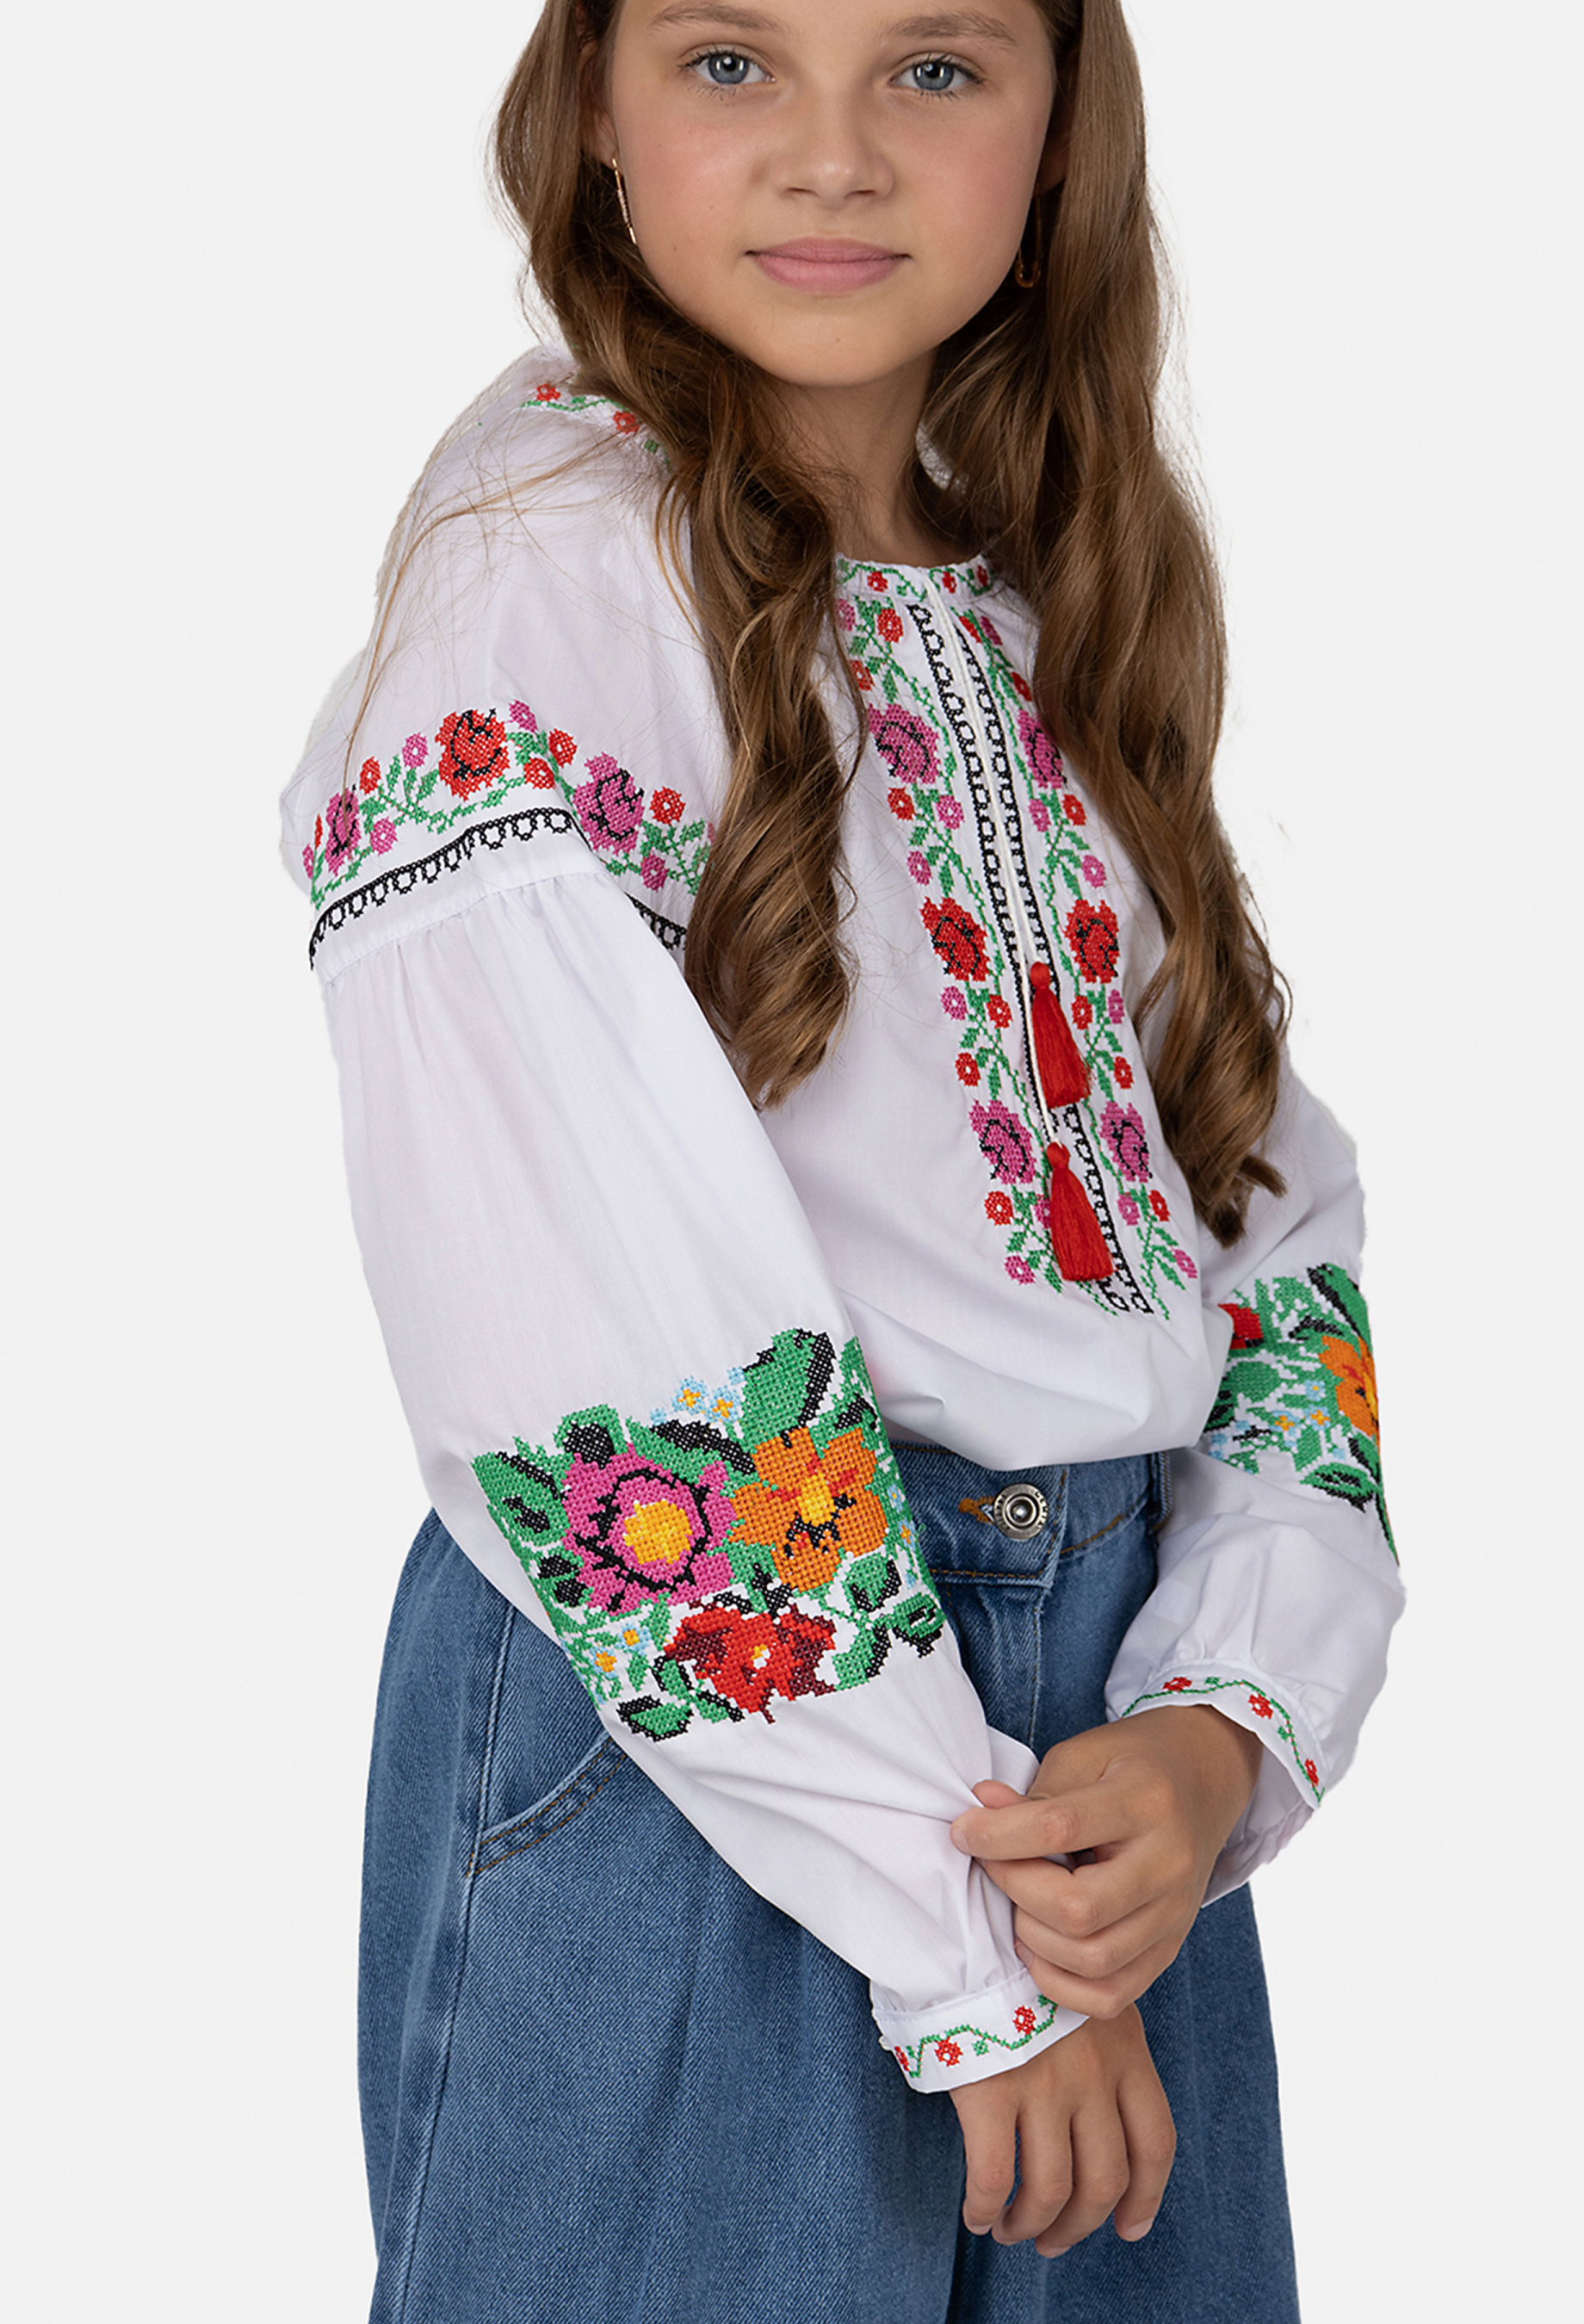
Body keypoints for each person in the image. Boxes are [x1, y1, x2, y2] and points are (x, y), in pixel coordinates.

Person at [280, 2, 1404, 2316]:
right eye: (729, 61)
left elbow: (1256, 1212)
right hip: (705, 1749)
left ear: (1059, 128)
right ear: (593, 107)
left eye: (934, 67)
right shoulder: (549, 569)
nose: (833, 153)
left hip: (1100, 1762)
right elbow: (576, 1319)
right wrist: (945, 1917)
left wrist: (1221, 1716)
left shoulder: (1044, 589)